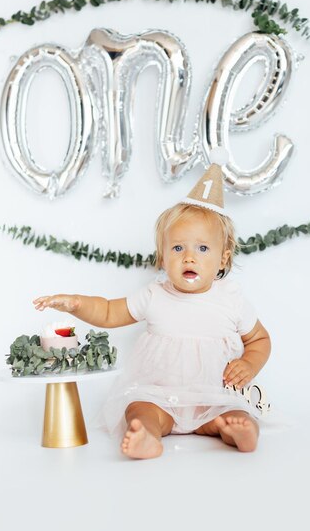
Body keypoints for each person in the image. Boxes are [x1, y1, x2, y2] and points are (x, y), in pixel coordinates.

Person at [33, 152, 272, 459]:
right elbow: (109, 312)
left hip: (213, 395)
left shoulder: (231, 298)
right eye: (177, 248)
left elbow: (259, 339)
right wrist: (76, 304)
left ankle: (239, 430)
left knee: (232, 412)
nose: (189, 257)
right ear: (162, 256)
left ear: (222, 258)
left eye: (202, 248)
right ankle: (146, 434)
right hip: (161, 396)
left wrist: (249, 364)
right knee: (138, 407)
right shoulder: (154, 294)